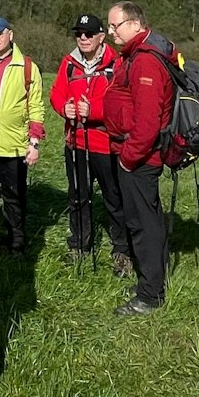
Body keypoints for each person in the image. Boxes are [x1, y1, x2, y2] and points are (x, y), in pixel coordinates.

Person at [102, 1, 176, 318]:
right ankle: (151, 281)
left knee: (143, 224)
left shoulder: (145, 63)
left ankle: (150, 294)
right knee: (146, 221)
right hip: (134, 154)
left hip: (139, 157)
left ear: (134, 24)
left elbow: (147, 124)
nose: (109, 32)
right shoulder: (135, 55)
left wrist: (128, 158)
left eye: (114, 26)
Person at [49, 14, 125, 270]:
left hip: (106, 144)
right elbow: (57, 93)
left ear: (101, 37)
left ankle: (121, 250)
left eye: (89, 34)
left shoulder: (116, 64)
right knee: (78, 197)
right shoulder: (69, 64)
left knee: (114, 197)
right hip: (76, 142)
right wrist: (64, 108)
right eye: (79, 33)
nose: (83, 38)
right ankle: (80, 245)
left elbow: (121, 103)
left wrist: (92, 110)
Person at [0, 16, 43, 258]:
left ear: (10, 35)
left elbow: (36, 107)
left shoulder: (26, 66)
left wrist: (34, 142)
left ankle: (17, 246)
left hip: (14, 147)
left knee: (15, 199)